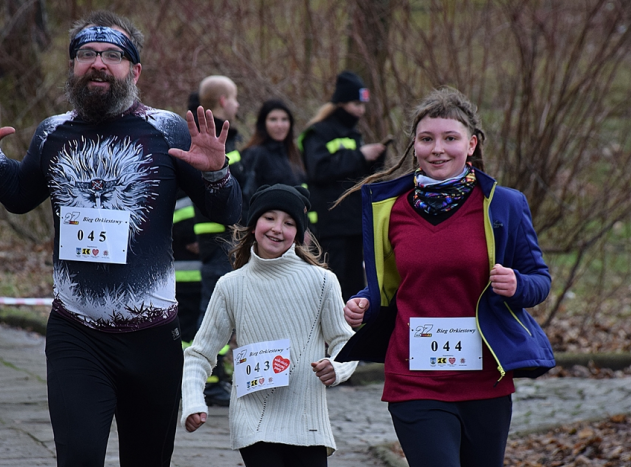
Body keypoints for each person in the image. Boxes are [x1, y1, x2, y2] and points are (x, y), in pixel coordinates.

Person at [0, 10, 241, 467]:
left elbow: (227, 212)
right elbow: (20, 196)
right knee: (78, 458)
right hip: (77, 335)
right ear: (72, 67)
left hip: (153, 338)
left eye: (113, 55)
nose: (98, 63)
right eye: (86, 54)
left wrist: (219, 173)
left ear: (135, 70)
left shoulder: (168, 130)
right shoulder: (53, 132)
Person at [335, 87, 555, 467]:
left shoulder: (504, 204)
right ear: (415, 146)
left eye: (450, 138)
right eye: (427, 139)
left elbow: (540, 279)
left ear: (471, 144)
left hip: (485, 379)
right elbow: (384, 288)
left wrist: (518, 285)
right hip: (413, 379)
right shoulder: (391, 209)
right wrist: (363, 304)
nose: (437, 149)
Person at [181, 184, 358, 467]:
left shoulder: (322, 281)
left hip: (306, 420)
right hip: (253, 419)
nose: (277, 228)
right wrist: (192, 400)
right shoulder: (231, 285)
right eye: (269, 218)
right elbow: (200, 353)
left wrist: (336, 367)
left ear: (298, 234)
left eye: (289, 223)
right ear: (254, 225)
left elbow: (344, 340)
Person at [300, 70, 388, 301]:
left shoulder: (353, 133)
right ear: (341, 103)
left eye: (363, 105)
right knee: (332, 285)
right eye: (356, 103)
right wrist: (360, 155)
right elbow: (319, 170)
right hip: (331, 225)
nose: (361, 110)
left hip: (355, 224)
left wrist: (375, 161)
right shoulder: (317, 133)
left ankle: (353, 333)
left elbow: (354, 178)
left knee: (354, 285)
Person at [191, 74, 243, 405]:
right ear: (223, 102)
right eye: (235, 99)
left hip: (221, 241)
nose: (238, 105)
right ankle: (208, 381)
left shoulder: (207, 138)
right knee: (213, 313)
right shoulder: (219, 140)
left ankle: (215, 375)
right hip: (219, 242)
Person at [238, 99, 305, 208]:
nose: (279, 125)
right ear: (263, 123)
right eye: (273, 119)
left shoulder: (295, 154)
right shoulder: (254, 154)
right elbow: (247, 197)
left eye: (284, 119)